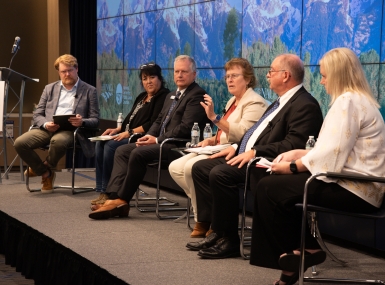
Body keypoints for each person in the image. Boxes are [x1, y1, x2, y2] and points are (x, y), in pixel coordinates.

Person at [249, 47, 385, 285]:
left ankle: (300, 255)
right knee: (275, 187)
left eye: (324, 75)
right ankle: (301, 256)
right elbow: (336, 149)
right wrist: (300, 153)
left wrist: (292, 167)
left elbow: (332, 156)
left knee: (270, 187)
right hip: (357, 184)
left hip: (357, 189)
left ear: (338, 75)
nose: (322, 81)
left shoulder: (347, 101)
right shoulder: (357, 100)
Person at [186, 54, 323, 259]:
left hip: (268, 164)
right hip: (249, 156)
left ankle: (230, 240)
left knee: (220, 174)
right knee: (201, 168)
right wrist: (236, 146)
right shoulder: (280, 102)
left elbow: (293, 144)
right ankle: (218, 231)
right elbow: (255, 134)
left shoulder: (304, 105)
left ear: (285, 76)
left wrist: (255, 152)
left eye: (271, 71)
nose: (267, 75)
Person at [88, 55, 209, 220]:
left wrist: (157, 139)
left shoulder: (197, 95)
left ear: (194, 75)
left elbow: (186, 128)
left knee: (138, 153)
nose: (179, 75)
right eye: (177, 71)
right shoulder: (172, 95)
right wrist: (150, 135)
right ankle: (113, 197)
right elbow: (159, 121)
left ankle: (121, 201)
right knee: (123, 150)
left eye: (184, 72)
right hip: (160, 143)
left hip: (176, 146)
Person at [168, 58, 268, 238]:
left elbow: (244, 134)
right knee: (175, 167)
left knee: (192, 168)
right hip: (219, 146)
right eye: (228, 76)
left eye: (235, 76)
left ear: (247, 79)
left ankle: (205, 219)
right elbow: (224, 131)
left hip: (236, 151)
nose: (229, 80)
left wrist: (214, 117)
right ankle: (211, 208)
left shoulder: (255, 102)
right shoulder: (232, 101)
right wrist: (211, 140)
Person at [14, 54, 99, 193]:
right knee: (20, 143)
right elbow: (37, 114)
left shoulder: (89, 90)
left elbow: (95, 119)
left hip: (71, 130)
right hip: (48, 128)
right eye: (63, 71)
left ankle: (43, 168)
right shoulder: (49, 88)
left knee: (57, 141)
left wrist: (82, 121)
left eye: (70, 70)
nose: (67, 74)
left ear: (76, 69)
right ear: (58, 72)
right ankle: (45, 173)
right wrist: (46, 124)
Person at [91, 63, 169, 207]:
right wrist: (118, 129)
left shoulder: (163, 96)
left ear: (160, 78)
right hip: (128, 133)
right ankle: (102, 190)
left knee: (111, 146)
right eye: (145, 78)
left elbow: (152, 124)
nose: (148, 81)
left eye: (152, 77)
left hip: (141, 138)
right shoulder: (142, 96)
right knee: (100, 143)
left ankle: (110, 192)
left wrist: (129, 132)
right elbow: (130, 119)